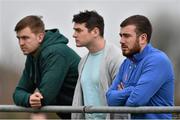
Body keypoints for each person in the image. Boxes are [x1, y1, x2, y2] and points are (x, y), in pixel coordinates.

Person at [106, 15, 175, 119]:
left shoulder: (157, 61)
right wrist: (132, 90)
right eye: (121, 36)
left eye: (127, 36)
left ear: (143, 38)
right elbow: (110, 99)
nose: (121, 41)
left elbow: (135, 101)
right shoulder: (126, 63)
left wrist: (122, 93)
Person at [13, 15, 80, 119]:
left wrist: (35, 99)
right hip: (72, 115)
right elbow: (18, 93)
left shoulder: (56, 53)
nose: (21, 43)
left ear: (40, 37)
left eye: (25, 38)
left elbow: (44, 97)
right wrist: (29, 98)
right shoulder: (33, 55)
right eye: (19, 38)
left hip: (88, 115)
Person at [71, 10, 124, 119]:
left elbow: (122, 100)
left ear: (95, 32)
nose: (74, 35)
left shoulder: (116, 58)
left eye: (79, 30)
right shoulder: (82, 61)